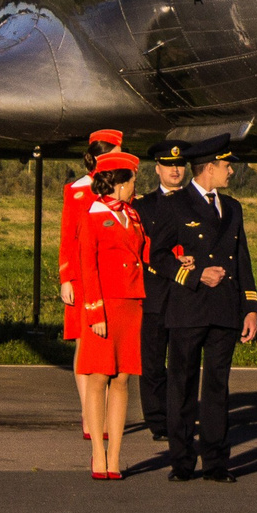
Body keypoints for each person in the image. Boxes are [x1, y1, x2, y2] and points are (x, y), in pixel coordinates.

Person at [147, 133, 257, 483]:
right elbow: (158, 256)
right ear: (209, 168)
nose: (231, 173)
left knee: (216, 389)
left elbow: (242, 261)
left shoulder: (233, 208)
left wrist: (250, 307)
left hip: (224, 309)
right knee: (182, 385)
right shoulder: (175, 205)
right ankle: (181, 460)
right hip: (188, 309)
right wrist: (193, 276)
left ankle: (216, 461)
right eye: (227, 167)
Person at [73, 151, 145, 479]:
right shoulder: (92, 215)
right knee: (99, 376)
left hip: (131, 304)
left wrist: (176, 256)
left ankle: (114, 456)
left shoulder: (133, 214)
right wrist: (94, 311)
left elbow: (144, 250)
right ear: (118, 182)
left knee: (122, 379)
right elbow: (87, 267)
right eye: (131, 180)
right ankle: (97, 454)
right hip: (105, 305)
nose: (134, 186)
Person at [60, 127, 126, 441]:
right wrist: (66, 278)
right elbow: (67, 239)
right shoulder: (76, 190)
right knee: (83, 345)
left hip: (111, 278)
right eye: (116, 154)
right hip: (82, 278)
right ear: (102, 156)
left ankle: (100, 413)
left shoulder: (121, 189)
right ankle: (89, 414)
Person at [131, 141, 194, 440]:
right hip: (155, 290)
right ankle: (158, 421)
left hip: (188, 292)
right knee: (153, 362)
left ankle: (181, 417)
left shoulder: (197, 203)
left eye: (180, 165)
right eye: (169, 165)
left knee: (184, 362)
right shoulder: (142, 206)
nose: (175, 170)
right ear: (157, 168)